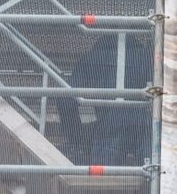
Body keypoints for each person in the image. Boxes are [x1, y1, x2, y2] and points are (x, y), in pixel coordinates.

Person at [56, 33, 152, 165]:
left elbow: (65, 100)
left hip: (110, 123)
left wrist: (76, 139)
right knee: (152, 176)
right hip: (144, 122)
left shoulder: (93, 57)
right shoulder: (145, 57)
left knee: (104, 181)